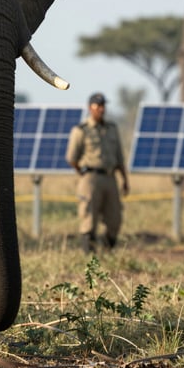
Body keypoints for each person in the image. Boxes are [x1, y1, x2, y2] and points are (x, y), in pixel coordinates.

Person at [66, 92, 129, 254]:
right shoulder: (81, 130)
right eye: (98, 106)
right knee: (88, 219)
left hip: (110, 178)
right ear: (90, 108)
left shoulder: (112, 129)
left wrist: (125, 180)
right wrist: (83, 173)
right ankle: (89, 257)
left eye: (103, 106)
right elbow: (72, 158)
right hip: (90, 178)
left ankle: (108, 252)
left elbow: (120, 158)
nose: (101, 109)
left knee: (115, 219)